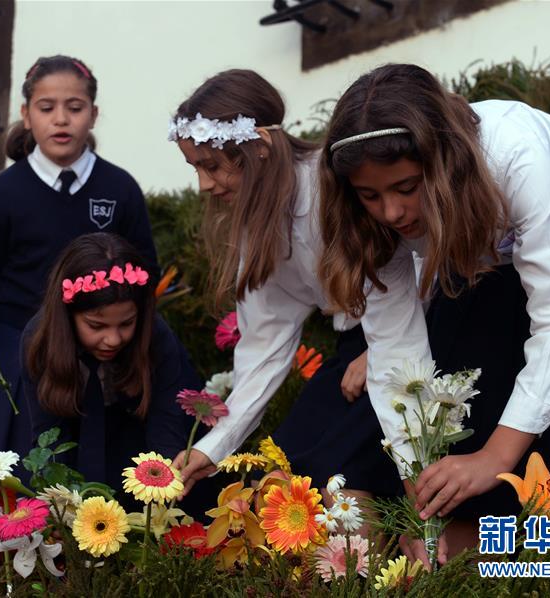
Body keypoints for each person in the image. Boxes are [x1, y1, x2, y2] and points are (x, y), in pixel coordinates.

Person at [317, 63, 550, 563]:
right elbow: (397, 351)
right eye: (370, 195)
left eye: (405, 187)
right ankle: (495, 556)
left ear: (442, 163)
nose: (391, 213)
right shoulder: (378, 221)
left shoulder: (514, 154)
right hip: (471, 250)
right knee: (472, 397)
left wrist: (494, 458)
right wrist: (420, 483)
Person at [168, 70, 400, 504]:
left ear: (257, 146)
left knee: (334, 477)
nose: (203, 184)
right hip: (356, 349)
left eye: (212, 165)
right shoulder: (259, 231)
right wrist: (210, 448)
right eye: (195, 167)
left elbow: (416, 266)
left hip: (418, 335)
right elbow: (265, 347)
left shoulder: (336, 186)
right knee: (283, 471)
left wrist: (385, 350)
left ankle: (375, 565)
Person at [0, 55, 158, 464]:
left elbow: (145, 274)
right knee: (26, 477)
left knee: (100, 476)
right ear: (26, 115)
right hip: (20, 358)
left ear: (94, 114)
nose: (61, 119)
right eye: (47, 108)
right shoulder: (1, 193)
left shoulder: (120, 188)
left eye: (75, 107)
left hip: (101, 364)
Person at [21, 233, 199, 507]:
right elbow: (48, 438)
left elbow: (166, 429)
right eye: (96, 326)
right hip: (73, 435)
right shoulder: (40, 342)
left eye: (126, 323)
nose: (113, 339)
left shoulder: (156, 336)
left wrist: (161, 504)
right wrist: (59, 507)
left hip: (137, 436)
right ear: (68, 317)